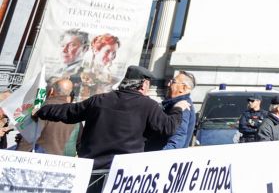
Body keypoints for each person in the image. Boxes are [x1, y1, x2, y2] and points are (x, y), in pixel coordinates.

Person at [33, 65, 187, 169]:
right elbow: (168, 127)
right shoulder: (148, 106)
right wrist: (178, 108)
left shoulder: (99, 100)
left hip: (90, 169)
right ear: (144, 84)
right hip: (122, 174)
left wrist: (41, 110)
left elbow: (68, 112)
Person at [17, 78, 76, 155]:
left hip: (36, 158)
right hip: (56, 159)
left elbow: (29, 137)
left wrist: (19, 155)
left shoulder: (43, 108)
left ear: (51, 91)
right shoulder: (72, 112)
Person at [145, 71, 196, 150]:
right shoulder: (174, 103)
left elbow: (178, 138)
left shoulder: (182, 106)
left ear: (184, 88)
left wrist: (161, 156)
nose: (168, 84)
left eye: (173, 82)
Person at [79, 33, 120, 98]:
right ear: (96, 50)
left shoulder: (114, 80)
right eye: (107, 51)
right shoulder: (79, 72)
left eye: (113, 53)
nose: (110, 57)